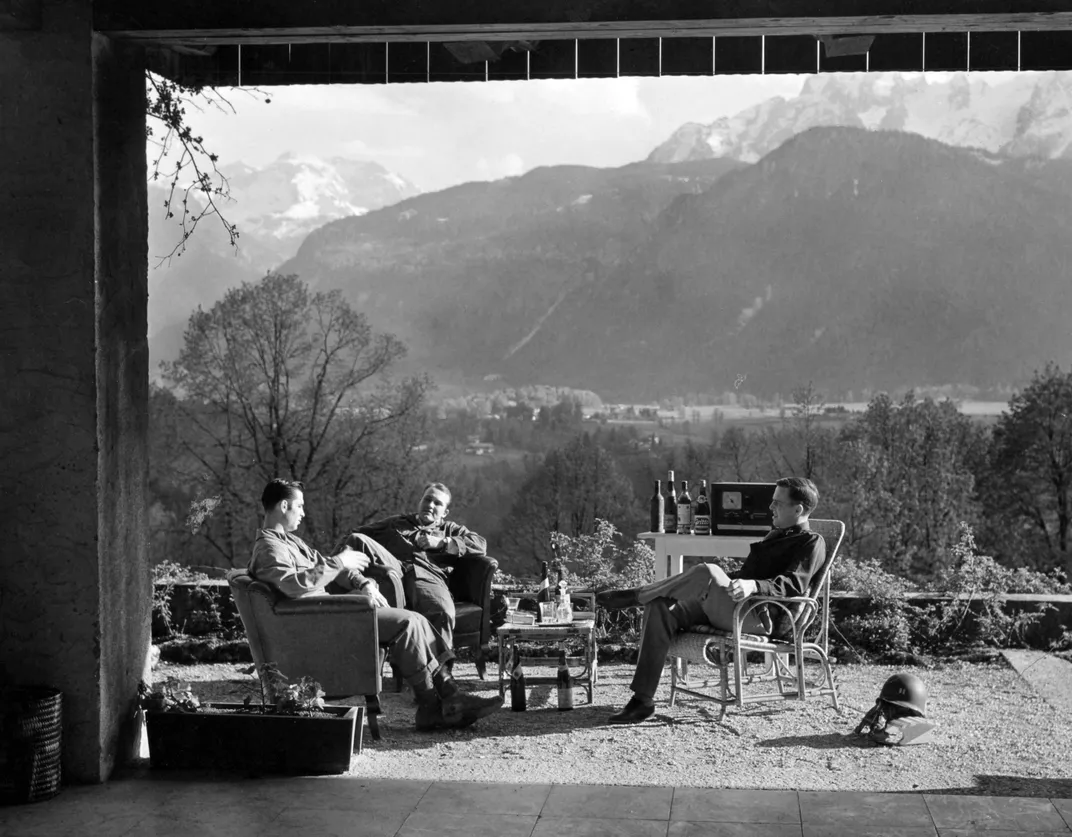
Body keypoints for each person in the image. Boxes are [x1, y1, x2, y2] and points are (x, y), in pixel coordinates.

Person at [247, 478, 502, 731]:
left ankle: (442, 699)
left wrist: (362, 582)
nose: (303, 512)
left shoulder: (290, 542)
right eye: (299, 506)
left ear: (445, 511)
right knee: (409, 621)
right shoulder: (270, 548)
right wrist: (341, 563)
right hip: (322, 617)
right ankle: (436, 704)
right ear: (283, 507)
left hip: (332, 609)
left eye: (438, 503)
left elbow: (325, 565)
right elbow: (294, 584)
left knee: (418, 620)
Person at [597, 477, 826, 724]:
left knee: (708, 570)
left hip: (760, 617)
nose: (771, 508)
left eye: (777, 503)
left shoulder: (811, 542)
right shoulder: (777, 535)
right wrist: (738, 580)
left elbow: (794, 584)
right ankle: (642, 701)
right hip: (736, 607)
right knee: (660, 606)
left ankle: (636, 595)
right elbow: (747, 576)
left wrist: (752, 585)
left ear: (798, 509)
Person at [354, 483, 486, 651]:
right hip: (394, 575)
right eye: (427, 499)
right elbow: (355, 534)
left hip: (427, 578)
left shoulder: (449, 530)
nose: (430, 505)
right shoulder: (396, 523)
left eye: (437, 503)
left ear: (445, 513)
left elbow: (480, 544)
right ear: (420, 501)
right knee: (358, 539)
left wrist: (442, 542)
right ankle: (325, 583)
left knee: (442, 612)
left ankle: (439, 671)